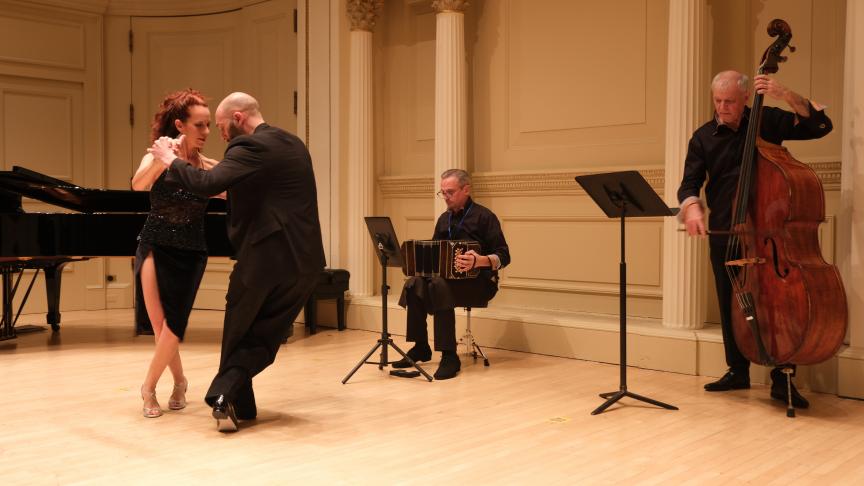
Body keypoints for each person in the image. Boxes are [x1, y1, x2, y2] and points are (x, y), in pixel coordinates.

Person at [148, 92, 326, 432]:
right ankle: (241, 406)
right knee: (265, 338)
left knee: (237, 332)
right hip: (305, 262)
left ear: (239, 118)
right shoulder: (292, 143)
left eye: (221, 126)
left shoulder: (249, 147)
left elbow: (207, 183)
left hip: (266, 258)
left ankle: (219, 393)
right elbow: (264, 190)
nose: (221, 134)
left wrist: (170, 159)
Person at [677, 70, 833, 409]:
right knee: (728, 298)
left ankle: (783, 375)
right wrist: (691, 207)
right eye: (717, 101)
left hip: (768, 232)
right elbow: (689, 182)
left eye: (729, 101)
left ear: (745, 98)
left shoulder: (766, 120)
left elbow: (819, 126)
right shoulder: (703, 137)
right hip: (726, 229)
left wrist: (785, 94)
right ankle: (738, 370)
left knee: (776, 300)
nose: (722, 108)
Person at [132, 88, 221, 418]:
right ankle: (153, 387)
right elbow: (138, 185)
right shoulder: (157, 155)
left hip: (191, 251)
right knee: (160, 327)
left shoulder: (209, 166)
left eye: (209, 125)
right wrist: (160, 159)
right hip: (154, 245)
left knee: (174, 326)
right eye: (200, 125)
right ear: (181, 125)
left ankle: (175, 382)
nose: (207, 132)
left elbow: (234, 190)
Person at [394, 169, 510, 380]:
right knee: (414, 283)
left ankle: (449, 356)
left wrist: (480, 260)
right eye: (442, 193)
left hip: (480, 283)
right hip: (445, 282)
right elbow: (433, 256)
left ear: (466, 190)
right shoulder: (443, 220)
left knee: (438, 285)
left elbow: (504, 256)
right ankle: (421, 346)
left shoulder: (485, 217)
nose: (445, 197)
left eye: (450, 192)